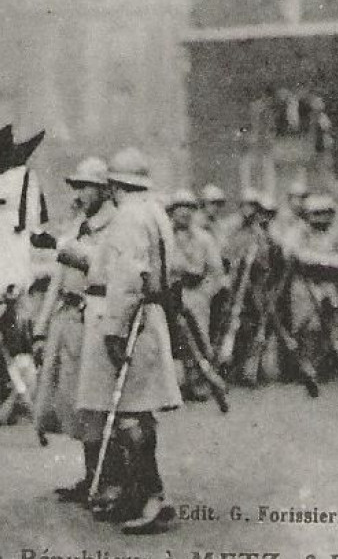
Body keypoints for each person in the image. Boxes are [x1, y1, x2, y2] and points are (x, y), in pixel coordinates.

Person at [75, 147, 183, 535]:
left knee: (130, 414)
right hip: (149, 315)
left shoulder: (129, 218)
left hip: (130, 317)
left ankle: (153, 496)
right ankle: (136, 494)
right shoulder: (155, 212)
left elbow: (127, 276)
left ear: (115, 187)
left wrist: (115, 329)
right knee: (134, 410)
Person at [34, 156, 114, 501]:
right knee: (70, 401)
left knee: (94, 400)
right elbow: (58, 280)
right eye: (76, 187)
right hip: (67, 317)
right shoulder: (77, 225)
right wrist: (41, 326)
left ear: (104, 189)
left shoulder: (111, 227)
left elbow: (100, 265)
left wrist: (62, 246)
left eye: (86, 187)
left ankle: (106, 480)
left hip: (91, 317)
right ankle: (90, 476)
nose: (78, 194)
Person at [283, 193, 338, 393]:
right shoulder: (297, 232)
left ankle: (337, 361)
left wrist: (328, 262)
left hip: (328, 283)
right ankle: (307, 366)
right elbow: (293, 253)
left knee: (330, 325)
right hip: (304, 283)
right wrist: (321, 260)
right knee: (306, 326)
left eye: (326, 214)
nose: (321, 219)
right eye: (316, 214)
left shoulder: (336, 234)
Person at [166, 188, 225, 403]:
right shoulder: (164, 236)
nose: (184, 213)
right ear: (171, 211)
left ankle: (198, 381)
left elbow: (216, 271)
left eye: (189, 209)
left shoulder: (204, 238)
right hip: (169, 295)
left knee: (197, 338)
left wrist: (204, 293)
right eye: (180, 209)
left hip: (196, 293)